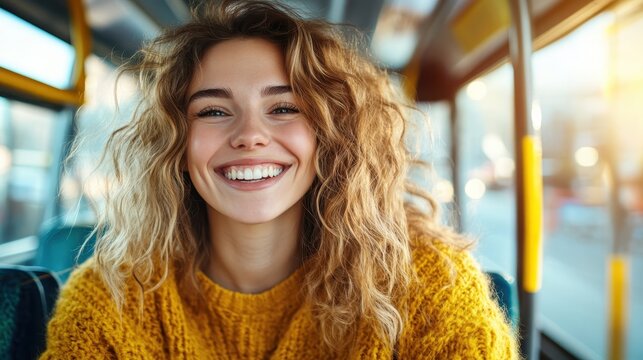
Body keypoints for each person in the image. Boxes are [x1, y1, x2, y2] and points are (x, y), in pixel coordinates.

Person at [41, 1, 517, 358]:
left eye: (284, 108)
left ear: (331, 138)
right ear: (177, 146)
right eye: (213, 110)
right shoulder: (112, 300)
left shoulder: (424, 281)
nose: (249, 135)